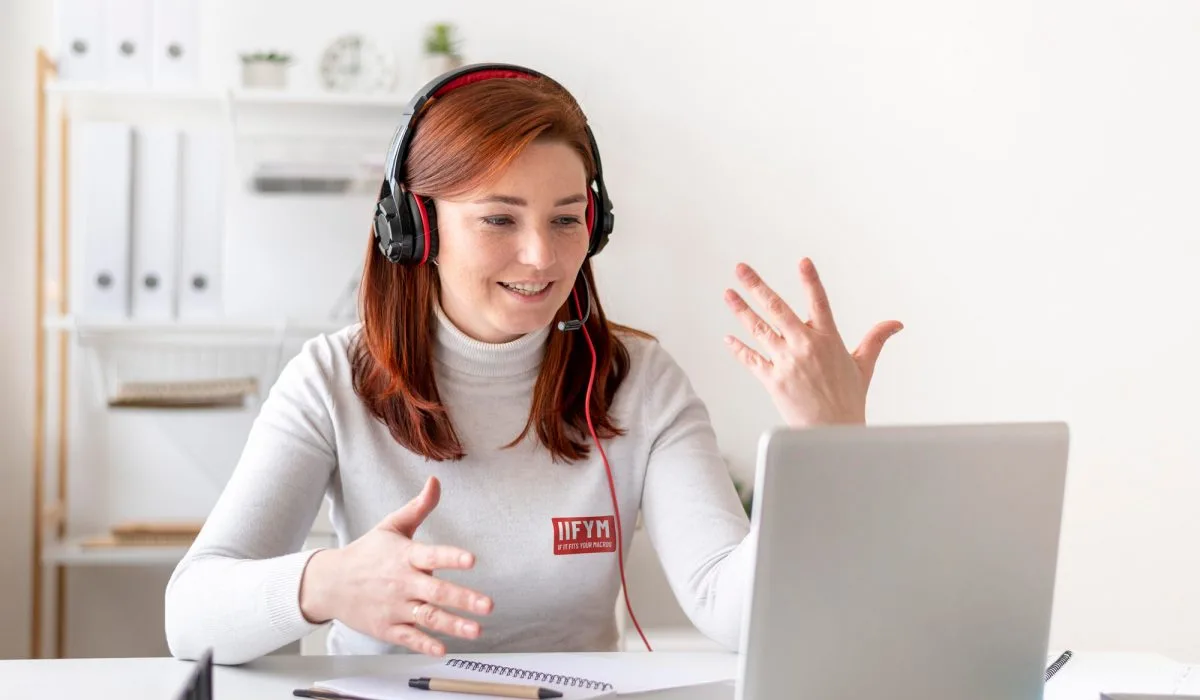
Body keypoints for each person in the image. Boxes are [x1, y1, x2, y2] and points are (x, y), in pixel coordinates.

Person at [163, 64, 902, 666]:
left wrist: (828, 439)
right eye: (498, 218)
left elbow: (728, 605)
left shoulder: (638, 382)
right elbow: (189, 614)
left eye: (566, 218)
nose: (542, 257)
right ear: (417, 228)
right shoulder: (331, 379)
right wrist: (322, 582)